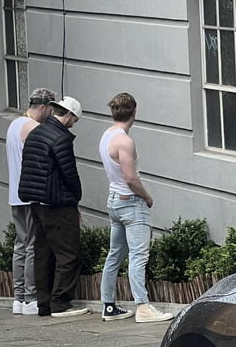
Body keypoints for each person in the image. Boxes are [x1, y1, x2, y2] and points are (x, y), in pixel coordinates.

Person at [99, 92, 173, 323]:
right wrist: (147, 196)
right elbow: (130, 178)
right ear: (134, 112)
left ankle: (109, 306)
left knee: (115, 255)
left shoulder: (106, 136)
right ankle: (142, 306)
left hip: (113, 200)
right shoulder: (124, 141)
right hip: (130, 202)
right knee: (139, 256)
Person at [18, 96, 88, 318]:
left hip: (35, 202)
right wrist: (76, 197)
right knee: (68, 253)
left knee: (42, 253)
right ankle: (61, 302)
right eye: (74, 119)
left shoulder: (35, 133)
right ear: (67, 114)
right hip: (57, 202)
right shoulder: (60, 138)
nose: (73, 123)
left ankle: (44, 303)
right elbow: (69, 173)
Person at [5, 88, 56, 315]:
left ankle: (18, 298)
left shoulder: (14, 124)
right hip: (32, 194)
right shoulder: (34, 128)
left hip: (15, 194)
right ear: (44, 106)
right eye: (51, 109)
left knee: (20, 245)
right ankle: (31, 297)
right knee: (33, 246)